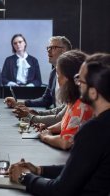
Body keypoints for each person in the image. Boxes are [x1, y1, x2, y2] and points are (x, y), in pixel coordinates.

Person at [9, 53, 110, 195]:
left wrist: (23, 177)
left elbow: (59, 191)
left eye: (80, 80)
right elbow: (79, 168)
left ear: (93, 92)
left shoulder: (94, 130)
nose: (77, 83)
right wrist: (39, 170)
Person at [37, 50, 93, 150]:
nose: (57, 79)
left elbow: (66, 142)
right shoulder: (75, 99)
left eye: (58, 75)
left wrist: (46, 137)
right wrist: (48, 129)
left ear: (68, 78)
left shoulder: (82, 104)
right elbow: (67, 122)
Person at [4, 36, 72, 108]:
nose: (48, 50)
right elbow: (45, 100)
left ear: (64, 51)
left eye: (53, 47)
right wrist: (18, 103)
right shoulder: (53, 74)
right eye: (48, 48)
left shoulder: (74, 74)